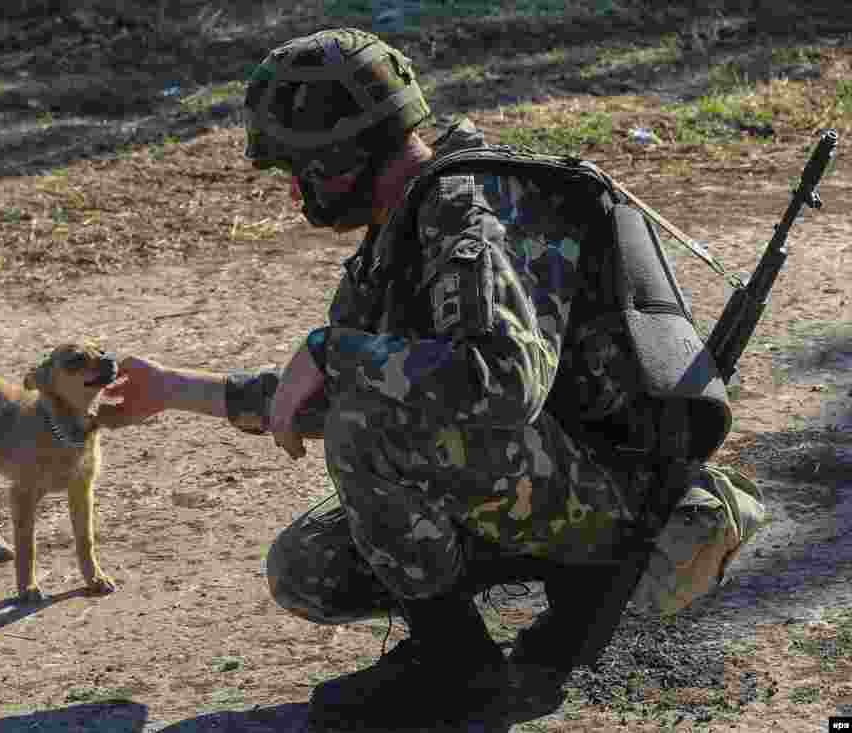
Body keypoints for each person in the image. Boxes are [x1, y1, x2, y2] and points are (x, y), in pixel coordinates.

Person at [99, 28, 764, 730]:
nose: (295, 190)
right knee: (308, 565)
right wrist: (173, 388)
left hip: (613, 492)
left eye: (303, 168)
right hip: (536, 476)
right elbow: (335, 390)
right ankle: (477, 631)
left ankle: (460, 671)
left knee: (366, 431)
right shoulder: (401, 223)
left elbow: (505, 381)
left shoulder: (466, 210)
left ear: (350, 151)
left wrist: (333, 349)